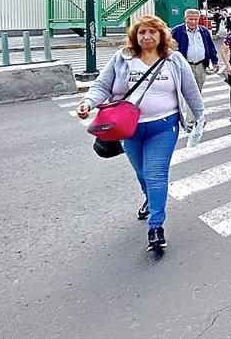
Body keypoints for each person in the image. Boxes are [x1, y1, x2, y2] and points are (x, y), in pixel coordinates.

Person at [77, 15, 205, 251]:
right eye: (142, 32)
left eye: (152, 32)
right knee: (142, 172)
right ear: (135, 35)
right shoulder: (123, 58)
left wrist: (200, 117)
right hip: (128, 128)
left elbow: (191, 90)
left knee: (156, 174)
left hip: (164, 127)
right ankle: (150, 198)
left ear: (161, 35)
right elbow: (102, 86)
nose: (146, 36)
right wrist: (88, 103)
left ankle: (156, 226)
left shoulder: (174, 60)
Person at [171, 8, 219, 97]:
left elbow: (211, 47)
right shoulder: (177, 31)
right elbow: (169, 49)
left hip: (200, 66)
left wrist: (215, 62)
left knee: (197, 91)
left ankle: (196, 110)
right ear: (185, 19)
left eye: (195, 19)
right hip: (184, 66)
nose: (193, 22)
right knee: (184, 91)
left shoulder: (204, 31)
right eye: (190, 19)